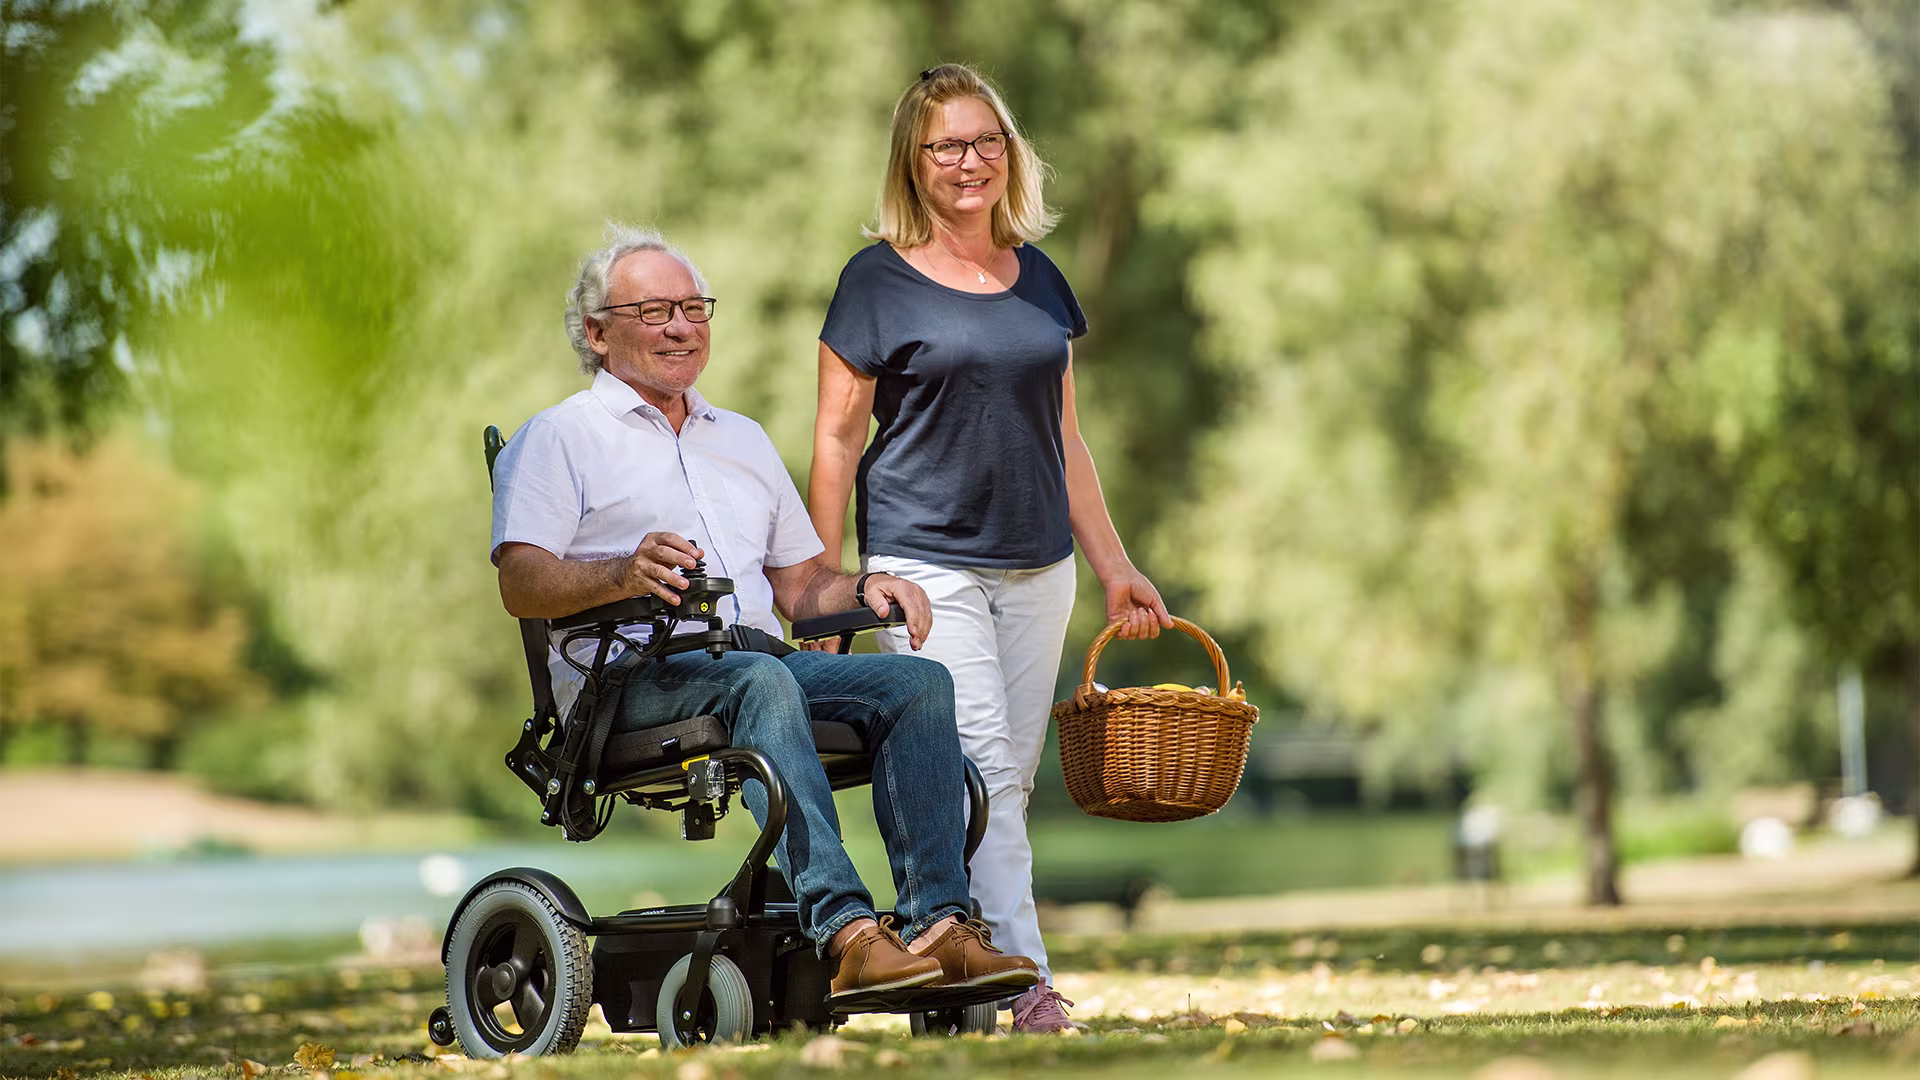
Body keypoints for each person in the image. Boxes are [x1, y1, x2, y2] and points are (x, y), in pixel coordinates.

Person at [489, 224, 1038, 1007]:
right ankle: (849, 933)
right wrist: (622, 571)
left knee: (916, 682)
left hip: (752, 659)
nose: (680, 325)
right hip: (630, 681)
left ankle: (939, 930)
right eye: (653, 310)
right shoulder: (561, 437)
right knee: (759, 684)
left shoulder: (739, 440)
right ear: (597, 333)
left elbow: (802, 587)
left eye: (692, 307)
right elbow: (521, 582)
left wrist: (867, 588)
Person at [808, 63, 1172, 1033]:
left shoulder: (1038, 279)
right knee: (978, 767)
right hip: (923, 566)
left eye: (985, 142)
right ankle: (1027, 987)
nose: (969, 162)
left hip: (1039, 562)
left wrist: (1114, 565)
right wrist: (821, 589)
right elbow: (837, 442)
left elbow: (1067, 440)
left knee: (999, 780)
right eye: (946, 146)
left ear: (1008, 153)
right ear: (913, 162)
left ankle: (950, 968)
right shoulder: (874, 282)